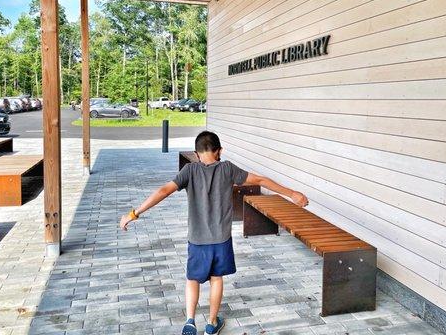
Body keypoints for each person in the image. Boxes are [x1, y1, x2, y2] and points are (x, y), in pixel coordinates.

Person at [119, 131, 308, 335]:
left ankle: (190, 322)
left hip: (197, 239)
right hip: (221, 239)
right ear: (219, 151)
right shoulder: (228, 169)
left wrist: (134, 213)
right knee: (216, 278)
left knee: (192, 279)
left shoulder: (189, 170)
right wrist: (292, 194)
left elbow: (164, 191)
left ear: (196, 153)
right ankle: (211, 324)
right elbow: (260, 180)